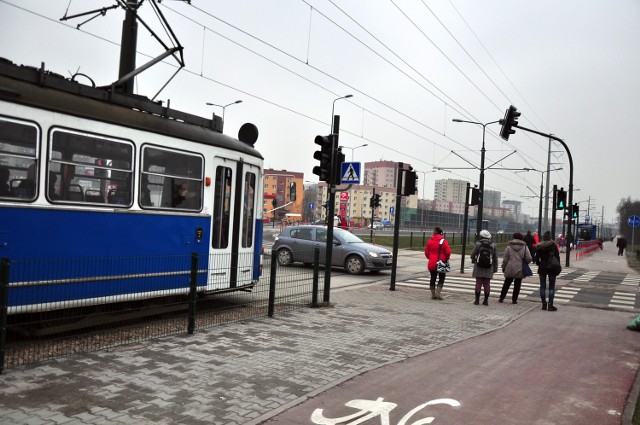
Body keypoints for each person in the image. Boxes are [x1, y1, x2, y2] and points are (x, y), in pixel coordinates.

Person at [499, 232, 532, 304]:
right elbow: (529, 258)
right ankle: (514, 300)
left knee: (507, 283)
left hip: (510, 267)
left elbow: (505, 259)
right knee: (517, 284)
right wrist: (525, 263)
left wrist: (504, 266)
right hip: (520, 268)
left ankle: (501, 298)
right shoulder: (524, 247)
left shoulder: (509, 247)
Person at [535, 231, 561, 311]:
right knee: (551, 287)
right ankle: (550, 305)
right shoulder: (553, 246)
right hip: (552, 267)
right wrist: (557, 266)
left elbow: (536, 259)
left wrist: (540, 264)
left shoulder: (539, 246)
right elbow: (557, 257)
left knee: (542, 286)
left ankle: (543, 304)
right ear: (550, 238)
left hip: (542, 267)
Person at [471, 230, 498, 306]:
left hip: (478, 266)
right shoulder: (493, 245)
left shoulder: (478, 244)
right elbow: (495, 258)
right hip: (489, 267)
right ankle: (485, 301)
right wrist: (495, 268)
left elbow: (472, 254)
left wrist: (474, 260)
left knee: (478, 283)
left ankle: (477, 300)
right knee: (487, 284)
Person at [424, 226, 451, 300]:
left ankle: (433, 295)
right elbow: (448, 252)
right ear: (441, 233)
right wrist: (446, 258)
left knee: (433, 278)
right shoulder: (443, 241)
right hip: (441, 262)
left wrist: (430, 258)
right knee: (442, 278)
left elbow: (426, 252)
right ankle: (438, 293)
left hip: (432, 263)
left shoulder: (430, 241)